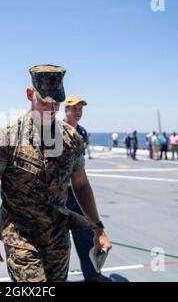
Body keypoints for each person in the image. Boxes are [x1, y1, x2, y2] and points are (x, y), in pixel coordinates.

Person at [0, 64, 111, 282]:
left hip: (58, 238)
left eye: (56, 102)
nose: (51, 108)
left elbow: (81, 185)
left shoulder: (71, 140)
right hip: (20, 237)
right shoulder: (7, 139)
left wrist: (98, 228)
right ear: (30, 94)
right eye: (45, 101)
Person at [63, 95, 111, 282]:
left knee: (86, 234)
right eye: (74, 108)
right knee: (54, 239)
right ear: (65, 110)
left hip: (76, 193)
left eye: (80, 109)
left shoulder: (82, 133)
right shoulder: (55, 132)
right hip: (58, 194)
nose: (78, 112)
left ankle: (92, 274)